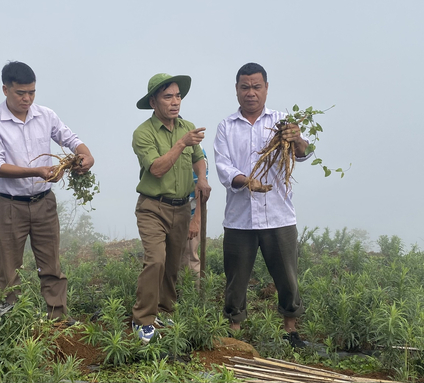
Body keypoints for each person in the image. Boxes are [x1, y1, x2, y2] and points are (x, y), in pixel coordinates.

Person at [0, 61, 94, 321]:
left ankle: (58, 316)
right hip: (9, 204)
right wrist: (37, 171)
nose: (27, 99)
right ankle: (12, 318)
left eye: (32, 92)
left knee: (51, 263)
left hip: (43, 202)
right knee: (9, 266)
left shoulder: (45, 115)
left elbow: (70, 138)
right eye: (21, 93)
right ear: (5, 89)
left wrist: (85, 155)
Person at [214, 62, 312, 349]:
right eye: (245, 87)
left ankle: (291, 330)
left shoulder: (283, 122)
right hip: (239, 218)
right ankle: (233, 330)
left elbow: (303, 152)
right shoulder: (226, 127)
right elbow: (222, 166)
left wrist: (297, 139)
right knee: (236, 278)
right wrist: (246, 181)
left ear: (266, 89)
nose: (251, 93)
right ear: (236, 90)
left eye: (257, 87)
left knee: (287, 276)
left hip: (279, 215)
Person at [131, 73, 210, 343]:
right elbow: (157, 168)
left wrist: (203, 179)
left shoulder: (186, 127)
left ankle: (164, 310)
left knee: (174, 264)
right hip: (153, 207)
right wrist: (180, 144)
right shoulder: (143, 133)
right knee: (156, 260)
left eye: (178, 95)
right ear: (154, 102)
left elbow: (199, 158)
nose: (175, 102)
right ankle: (142, 319)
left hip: (181, 207)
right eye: (168, 97)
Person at [180, 149, 208, 283]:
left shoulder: (196, 149)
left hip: (190, 212)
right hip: (170, 211)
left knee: (190, 259)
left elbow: (202, 187)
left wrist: (196, 219)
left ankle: (192, 299)